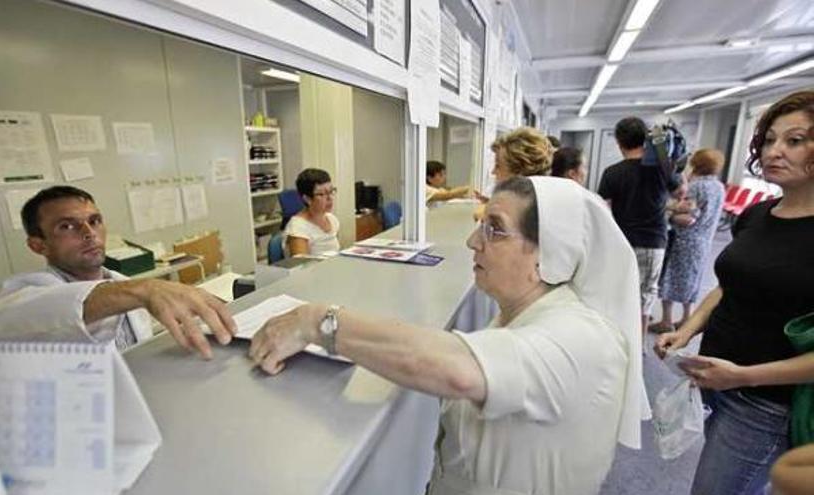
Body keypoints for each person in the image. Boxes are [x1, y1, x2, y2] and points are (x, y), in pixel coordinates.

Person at [251, 176, 648, 495]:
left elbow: (460, 369)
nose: (473, 241)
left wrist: (318, 321)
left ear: (548, 255)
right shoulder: (522, 314)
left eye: (495, 230)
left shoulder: (580, 338)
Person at [655, 90, 814, 494]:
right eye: (770, 139)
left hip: (766, 403)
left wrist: (743, 376)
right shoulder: (758, 213)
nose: (775, 150)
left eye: (794, 141)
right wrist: (688, 329)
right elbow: (730, 287)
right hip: (718, 381)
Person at [0, 186, 236, 359]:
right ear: (37, 245)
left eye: (94, 221)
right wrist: (146, 289)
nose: (88, 232)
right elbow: (58, 309)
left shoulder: (122, 285)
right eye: (67, 226)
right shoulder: (18, 302)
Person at [598, 116, 681, 335]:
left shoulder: (612, 172)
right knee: (646, 293)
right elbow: (681, 192)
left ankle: (615, 336)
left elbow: (603, 210)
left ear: (619, 142)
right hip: (653, 242)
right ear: (645, 139)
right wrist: (666, 154)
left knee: (618, 290)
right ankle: (639, 341)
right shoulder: (661, 170)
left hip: (621, 241)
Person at [651, 149, 726, 332]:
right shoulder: (718, 186)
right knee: (692, 281)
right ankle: (686, 318)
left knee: (669, 280)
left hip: (685, 240)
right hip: (704, 241)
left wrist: (666, 213)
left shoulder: (696, 186)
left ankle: (666, 321)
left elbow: (688, 218)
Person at [284, 168, 340, 257]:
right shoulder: (297, 227)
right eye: (321, 194)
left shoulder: (332, 219)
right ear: (307, 199)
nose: (329, 198)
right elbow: (301, 266)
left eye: (331, 191)